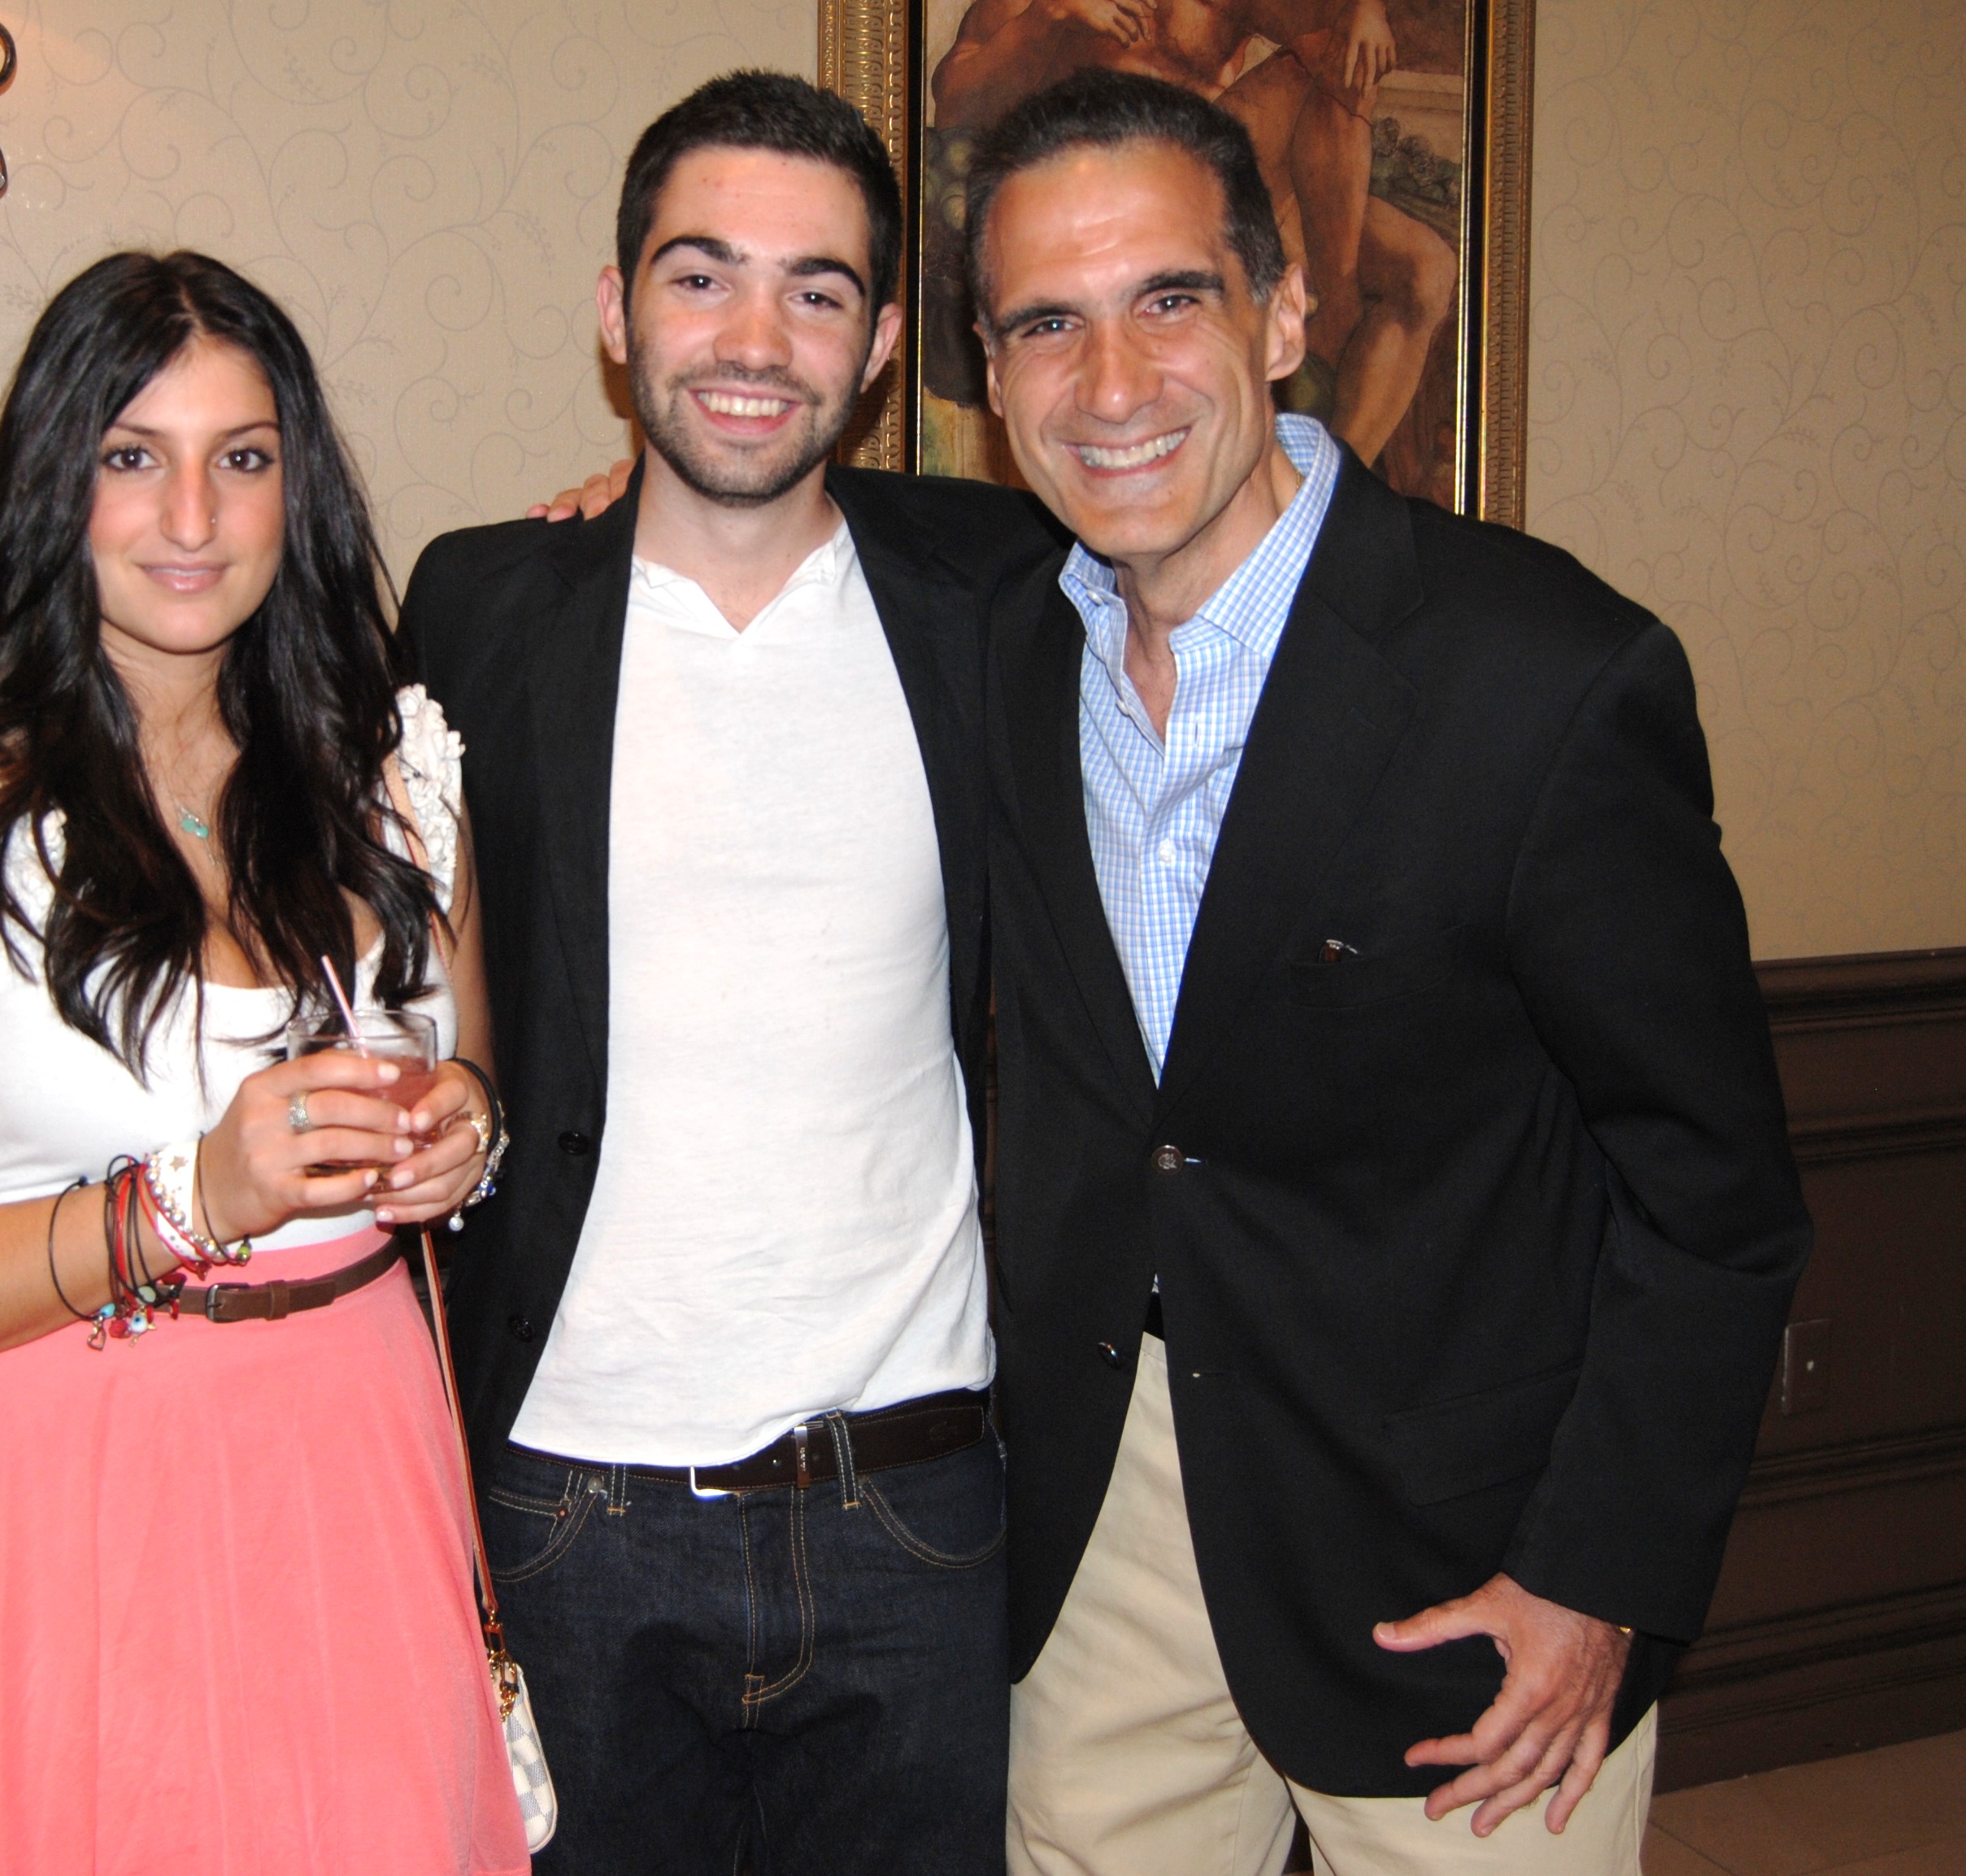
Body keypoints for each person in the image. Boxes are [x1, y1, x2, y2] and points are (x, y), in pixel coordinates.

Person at [964, 69, 1812, 1874]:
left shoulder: (1542, 675)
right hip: (1106, 1526)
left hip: (1462, 1557)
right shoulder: (1000, 656)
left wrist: (1601, 1574)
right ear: (987, 372)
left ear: (1282, 314)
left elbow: (1715, 1194)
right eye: (1045, 324)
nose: (1108, 386)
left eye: (1166, 300)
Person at [0, 250, 529, 1874]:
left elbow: (471, 1072)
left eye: (241, 457)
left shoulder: (400, 779)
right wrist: (191, 1198)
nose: (192, 516)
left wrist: (459, 1132)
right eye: (134, 455)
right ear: (55, 482)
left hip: (356, 1476)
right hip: (56, 1502)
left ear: (296, 486)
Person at [402, 71, 1059, 1874]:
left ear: (883, 344)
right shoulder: (479, 607)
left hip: (916, 1508)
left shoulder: (1003, 589)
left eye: (815, 290)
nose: (754, 342)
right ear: (616, 315)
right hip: (566, 1506)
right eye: (700, 278)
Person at [931, 0, 1456, 477]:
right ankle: (1338, 310)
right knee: (1327, 52)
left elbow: (1316, 16)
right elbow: (957, 99)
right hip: (1116, 202)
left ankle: (1336, 496)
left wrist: (1365, 9)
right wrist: (1049, 16)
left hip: (1227, 186)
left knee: (1425, 270)